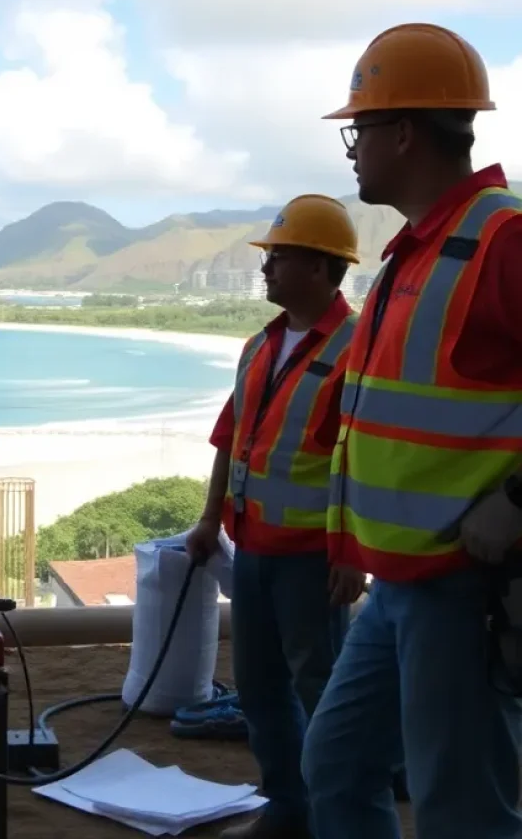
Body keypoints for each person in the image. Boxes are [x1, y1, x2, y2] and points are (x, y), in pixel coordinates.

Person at [301, 22, 522, 839]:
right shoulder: (415, 251)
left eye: (358, 132)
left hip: (465, 589)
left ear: (402, 132)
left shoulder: (503, 241)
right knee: (335, 766)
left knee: (462, 809)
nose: (352, 152)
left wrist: (518, 501)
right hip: (397, 582)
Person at [187, 194, 367, 839]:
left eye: (278, 256)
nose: (265, 268)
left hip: (312, 557)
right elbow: (230, 438)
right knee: (260, 689)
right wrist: (209, 519)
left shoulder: (358, 349)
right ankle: (288, 811)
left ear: (319, 266)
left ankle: (336, 816)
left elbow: (366, 461)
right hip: (253, 549)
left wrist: (352, 552)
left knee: (322, 692)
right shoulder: (259, 345)